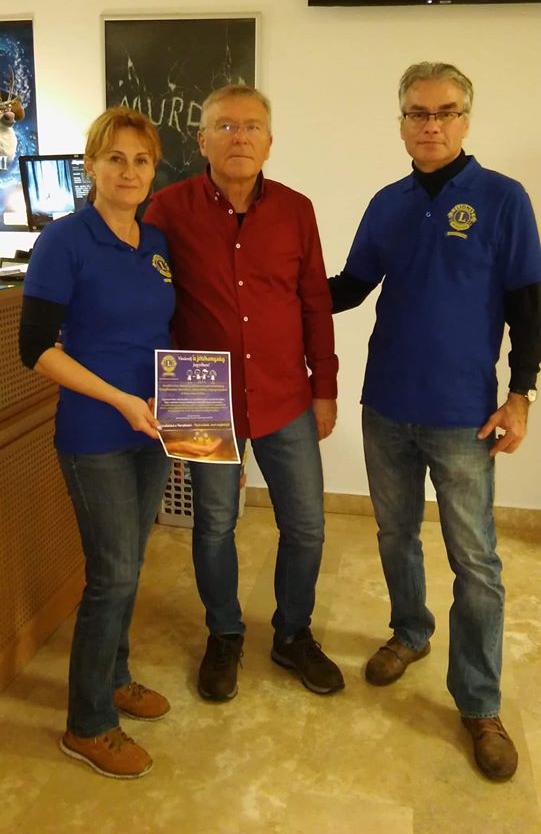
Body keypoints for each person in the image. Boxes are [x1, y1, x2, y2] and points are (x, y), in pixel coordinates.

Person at [330, 62, 541, 781]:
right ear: (401, 124)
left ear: (465, 121)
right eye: (417, 113)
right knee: (394, 535)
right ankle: (410, 632)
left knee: (475, 562)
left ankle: (479, 703)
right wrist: (268, 293)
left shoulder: (502, 199)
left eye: (445, 112)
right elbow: (349, 288)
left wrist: (520, 394)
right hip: (387, 404)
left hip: (462, 415)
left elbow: (528, 305)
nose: (431, 125)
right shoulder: (387, 203)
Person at [145, 84, 344, 701]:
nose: (239, 136)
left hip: (286, 393)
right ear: (202, 140)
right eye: (226, 126)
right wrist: (159, 388)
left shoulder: (296, 210)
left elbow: (314, 301)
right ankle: (224, 633)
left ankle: (293, 634)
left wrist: (325, 386)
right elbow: (147, 300)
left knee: (306, 525)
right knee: (213, 524)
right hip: (198, 394)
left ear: (270, 141)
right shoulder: (165, 209)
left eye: (252, 126)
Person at [19, 107, 176, 779]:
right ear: (91, 166)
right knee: (111, 575)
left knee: (128, 565)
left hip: (152, 431)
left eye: (141, 160)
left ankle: (114, 677)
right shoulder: (64, 240)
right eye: (115, 158)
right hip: (96, 435)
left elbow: (159, 334)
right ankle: (86, 725)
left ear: (153, 169)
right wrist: (120, 400)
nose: (129, 172)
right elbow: (34, 349)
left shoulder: (156, 242)